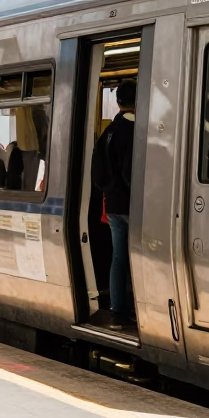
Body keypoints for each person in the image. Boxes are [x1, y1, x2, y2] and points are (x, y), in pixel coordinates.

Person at [91, 80, 137, 330]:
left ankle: (118, 312)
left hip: (113, 206)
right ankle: (134, 309)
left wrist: (110, 190)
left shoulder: (108, 131)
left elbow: (97, 174)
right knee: (138, 258)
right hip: (132, 205)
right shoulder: (134, 131)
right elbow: (132, 172)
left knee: (119, 258)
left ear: (118, 102)